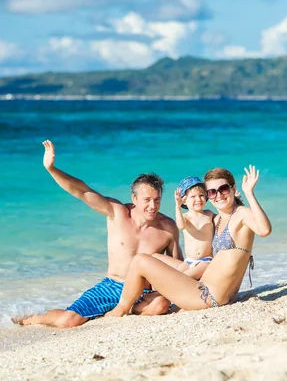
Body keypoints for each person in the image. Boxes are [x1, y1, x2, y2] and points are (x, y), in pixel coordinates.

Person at [14, 140, 183, 328]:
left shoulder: (168, 227)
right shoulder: (117, 213)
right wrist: (52, 169)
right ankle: (35, 319)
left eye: (157, 200)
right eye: (147, 200)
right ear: (134, 199)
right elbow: (82, 191)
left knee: (160, 305)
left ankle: (121, 310)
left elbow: (178, 269)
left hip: (143, 292)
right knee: (67, 321)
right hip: (112, 286)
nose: (153, 206)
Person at [106, 165, 271, 316]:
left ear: (233, 189)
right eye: (212, 192)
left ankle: (121, 309)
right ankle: (145, 299)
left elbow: (264, 230)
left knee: (140, 260)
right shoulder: (218, 219)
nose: (218, 195)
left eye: (223, 189)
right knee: (152, 257)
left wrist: (249, 193)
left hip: (207, 296)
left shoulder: (242, 213)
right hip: (205, 289)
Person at [153, 176, 215, 280]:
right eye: (193, 197)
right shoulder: (186, 217)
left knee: (182, 278)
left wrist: (236, 201)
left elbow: (225, 218)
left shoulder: (209, 214)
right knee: (172, 276)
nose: (198, 199)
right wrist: (177, 206)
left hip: (206, 260)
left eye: (201, 195)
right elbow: (181, 226)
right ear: (184, 201)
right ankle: (158, 291)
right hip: (189, 260)